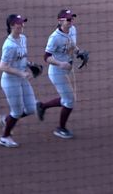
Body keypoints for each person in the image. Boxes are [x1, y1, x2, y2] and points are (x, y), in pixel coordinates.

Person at [36, 9, 84, 139]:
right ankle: (60, 128)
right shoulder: (54, 37)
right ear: (60, 21)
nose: (71, 21)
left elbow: (72, 45)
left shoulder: (73, 30)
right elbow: (46, 57)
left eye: (72, 19)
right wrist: (61, 64)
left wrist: (79, 53)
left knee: (68, 99)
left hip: (68, 70)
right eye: (68, 19)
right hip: (57, 72)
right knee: (69, 101)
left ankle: (42, 106)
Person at [0, 14, 38, 148]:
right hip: (10, 82)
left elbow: (22, 58)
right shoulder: (9, 45)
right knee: (17, 112)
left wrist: (30, 65)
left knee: (31, 108)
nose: (22, 25)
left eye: (22, 23)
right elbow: (2, 66)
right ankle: (4, 137)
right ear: (12, 25)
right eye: (19, 23)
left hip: (21, 79)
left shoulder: (23, 38)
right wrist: (21, 73)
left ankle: (7, 120)